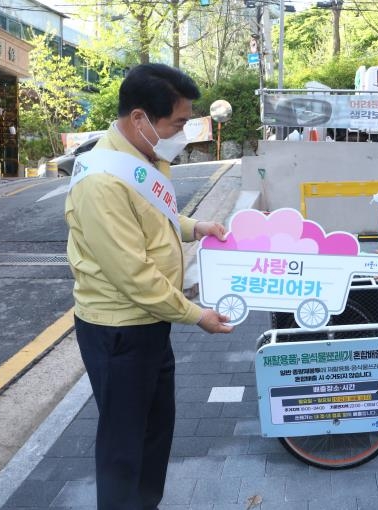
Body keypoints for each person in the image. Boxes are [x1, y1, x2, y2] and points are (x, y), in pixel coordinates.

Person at [64, 63, 234, 510]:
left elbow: (154, 219)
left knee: (156, 431)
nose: (182, 132)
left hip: (152, 323)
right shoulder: (102, 181)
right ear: (141, 118)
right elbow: (132, 272)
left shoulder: (145, 158)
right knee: (124, 442)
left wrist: (196, 227)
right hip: (119, 330)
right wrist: (196, 315)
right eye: (177, 123)